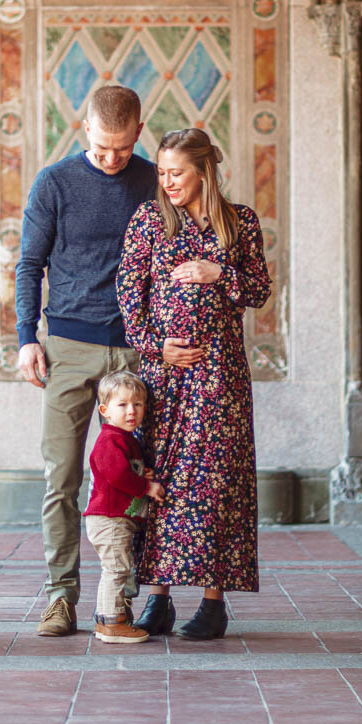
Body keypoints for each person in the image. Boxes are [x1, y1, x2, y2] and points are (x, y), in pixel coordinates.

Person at [117, 127, 271, 640]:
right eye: (161, 172)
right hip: (164, 377)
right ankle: (157, 598)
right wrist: (153, 346)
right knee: (159, 479)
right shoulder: (149, 221)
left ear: (204, 171)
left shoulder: (240, 223)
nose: (167, 181)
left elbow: (259, 290)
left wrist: (216, 273)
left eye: (176, 172)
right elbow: (128, 293)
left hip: (219, 377)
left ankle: (213, 601)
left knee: (213, 483)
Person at [16, 84, 157, 637]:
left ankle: (125, 598)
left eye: (122, 148)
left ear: (138, 134)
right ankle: (60, 597)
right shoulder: (54, 182)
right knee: (63, 477)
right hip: (68, 347)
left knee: (138, 474)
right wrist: (28, 337)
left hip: (135, 345)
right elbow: (29, 264)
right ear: (85, 131)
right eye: (102, 148)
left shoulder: (151, 180)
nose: (111, 159)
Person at [84, 370, 166, 644]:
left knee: (115, 568)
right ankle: (112, 623)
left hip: (117, 519)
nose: (132, 411)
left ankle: (105, 619)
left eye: (138, 405)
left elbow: (126, 471)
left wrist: (142, 474)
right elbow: (117, 475)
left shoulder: (125, 439)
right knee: (117, 570)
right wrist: (146, 487)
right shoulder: (110, 440)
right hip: (108, 519)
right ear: (105, 410)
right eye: (123, 405)